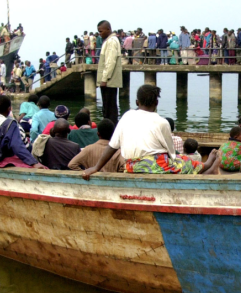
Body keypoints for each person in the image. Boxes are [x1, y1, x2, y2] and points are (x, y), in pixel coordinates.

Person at [81, 85, 218, 179]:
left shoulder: (127, 115)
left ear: (137, 101)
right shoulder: (162, 122)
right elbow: (171, 152)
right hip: (156, 166)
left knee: (182, 159)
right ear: (156, 103)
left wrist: (96, 167)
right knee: (185, 161)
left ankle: (204, 166)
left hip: (130, 166)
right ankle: (206, 166)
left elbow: (112, 146)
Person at [97, 20, 123, 124]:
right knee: (109, 107)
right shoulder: (109, 40)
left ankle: (110, 130)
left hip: (109, 81)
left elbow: (110, 62)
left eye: (101, 31)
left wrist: (104, 79)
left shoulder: (111, 41)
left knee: (109, 108)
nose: (100, 34)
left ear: (108, 29)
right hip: (109, 81)